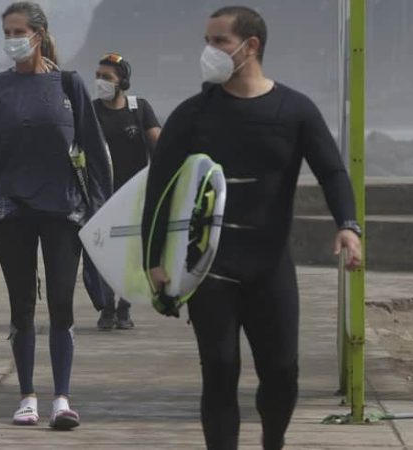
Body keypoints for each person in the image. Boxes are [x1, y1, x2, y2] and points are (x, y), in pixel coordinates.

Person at [141, 6, 362, 449]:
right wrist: (154, 260)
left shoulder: (294, 111)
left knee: (282, 374)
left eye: (219, 41)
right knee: (220, 371)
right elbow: (160, 188)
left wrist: (348, 225)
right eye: (207, 41)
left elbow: (333, 172)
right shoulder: (193, 113)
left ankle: (272, 442)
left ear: (251, 45)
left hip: (270, 268)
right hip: (209, 271)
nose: (210, 51)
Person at [0, 1, 112, 430]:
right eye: (6, 32)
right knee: (22, 305)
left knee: (63, 304)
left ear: (38, 33)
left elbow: (94, 149)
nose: (12, 40)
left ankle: (61, 399)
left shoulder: (69, 85)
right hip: (11, 210)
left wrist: (100, 208)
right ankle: (27, 396)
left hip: (64, 209)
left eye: (18, 31)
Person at [91, 52, 162, 330]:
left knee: (133, 255)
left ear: (123, 81)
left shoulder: (139, 108)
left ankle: (125, 307)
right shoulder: (91, 110)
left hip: (135, 195)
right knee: (105, 253)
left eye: (106, 77)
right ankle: (107, 306)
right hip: (102, 195)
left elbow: (159, 144)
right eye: (97, 76)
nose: (100, 82)